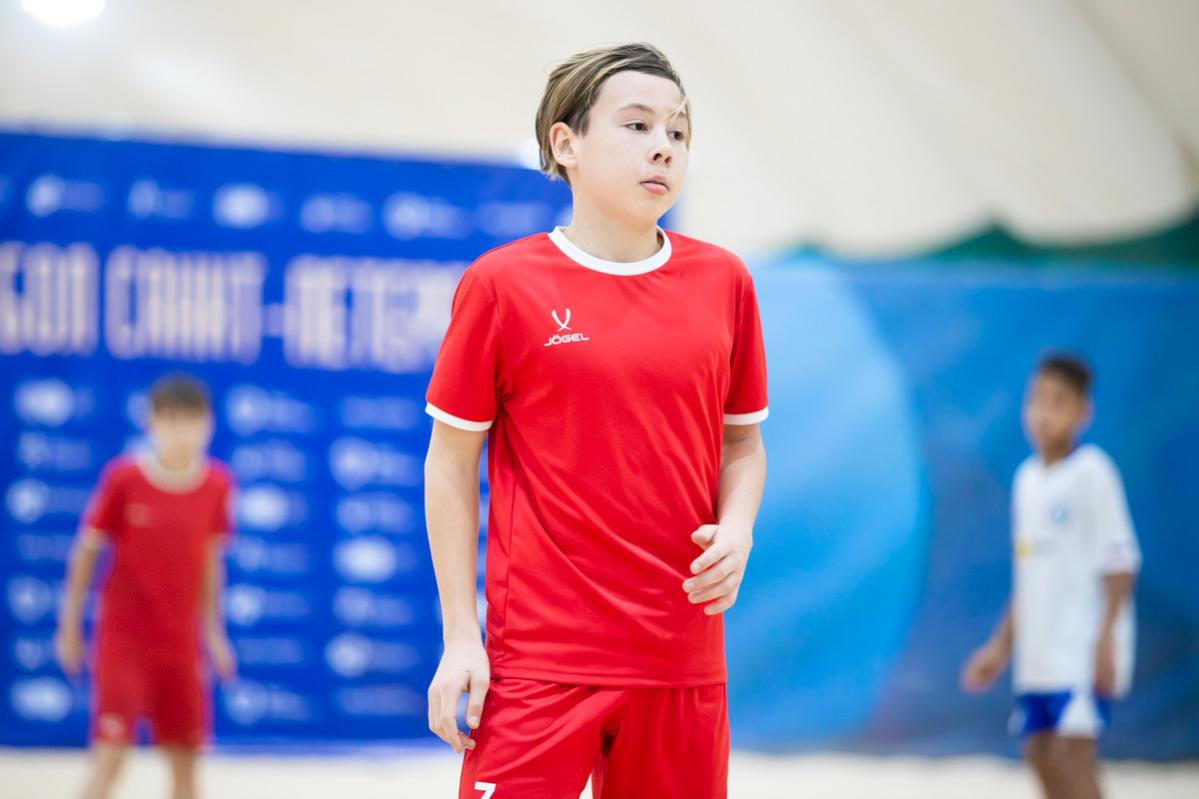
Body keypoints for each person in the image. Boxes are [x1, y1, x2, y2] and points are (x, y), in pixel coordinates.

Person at [423, 42, 769, 799]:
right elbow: (449, 462)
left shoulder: (724, 282)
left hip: (680, 660)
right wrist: (460, 638)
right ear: (566, 144)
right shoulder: (501, 285)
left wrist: (738, 527)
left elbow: (742, 441)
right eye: (637, 125)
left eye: (678, 131)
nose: (663, 146)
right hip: (538, 661)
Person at [962, 353, 1141, 799]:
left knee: (1071, 756)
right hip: (1038, 655)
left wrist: (1106, 638)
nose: (1044, 412)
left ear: (1083, 412)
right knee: (1040, 755)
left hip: (1080, 649)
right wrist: (1000, 646)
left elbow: (1120, 564)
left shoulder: (1093, 472)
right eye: (1037, 399)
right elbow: (1029, 576)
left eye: (1058, 401)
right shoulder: (1026, 480)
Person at [55, 373, 237, 799]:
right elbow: (86, 554)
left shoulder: (218, 485)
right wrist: (69, 628)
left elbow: (210, 564)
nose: (180, 432)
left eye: (190, 420)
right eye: (170, 420)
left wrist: (214, 634)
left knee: (186, 768)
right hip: (124, 641)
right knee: (110, 759)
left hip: (180, 646)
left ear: (208, 425)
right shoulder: (123, 479)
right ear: (151, 422)